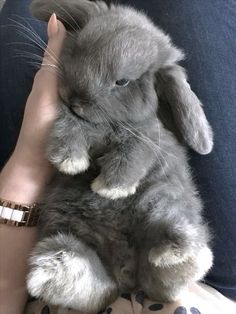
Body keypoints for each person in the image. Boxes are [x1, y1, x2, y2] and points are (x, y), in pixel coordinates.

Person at [0, 1, 235, 314]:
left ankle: (119, 273)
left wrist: (29, 161)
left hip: (36, 270)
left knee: (21, 10)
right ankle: (167, 269)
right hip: (203, 292)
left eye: (121, 83)